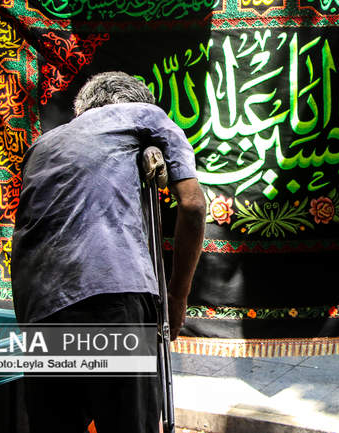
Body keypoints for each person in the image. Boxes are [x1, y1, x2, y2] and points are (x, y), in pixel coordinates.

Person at [11, 71, 206, 433]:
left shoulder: (42, 144)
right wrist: (177, 297)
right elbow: (192, 205)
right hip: (111, 297)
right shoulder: (144, 115)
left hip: (39, 308)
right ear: (135, 101)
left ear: (81, 109)